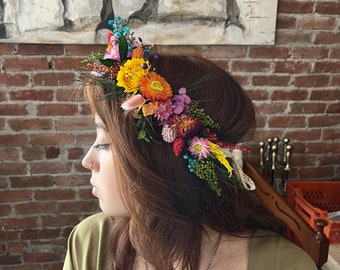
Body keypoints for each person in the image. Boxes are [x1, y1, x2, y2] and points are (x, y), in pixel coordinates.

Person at [63, 17, 317, 270]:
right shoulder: (90, 243)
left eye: (106, 143)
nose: (87, 161)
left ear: (162, 155)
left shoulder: (285, 264)